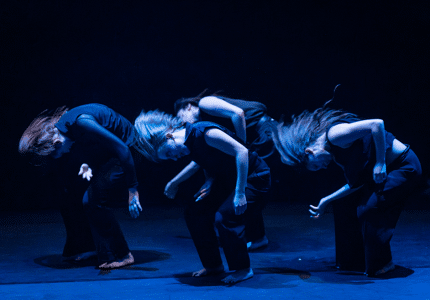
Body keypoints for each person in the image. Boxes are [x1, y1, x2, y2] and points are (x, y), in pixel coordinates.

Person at [272, 102, 422, 277]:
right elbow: (355, 183)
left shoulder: (335, 135)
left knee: (370, 208)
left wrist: (380, 162)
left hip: (404, 165)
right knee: (352, 207)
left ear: (310, 152)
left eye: (316, 165)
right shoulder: (336, 152)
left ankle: (384, 264)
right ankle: (360, 262)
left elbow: (377, 124)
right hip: (390, 170)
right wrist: (326, 201)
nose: (323, 167)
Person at [134, 110, 271, 283]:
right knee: (194, 212)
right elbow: (208, 158)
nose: (174, 159)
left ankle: (243, 269)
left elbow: (241, 152)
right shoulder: (190, 144)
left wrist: (240, 192)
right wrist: (209, 180)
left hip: (254, 177)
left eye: (169, 153)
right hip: (230, 179)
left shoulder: (203, 132)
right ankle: (213, 265)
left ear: (169, 135)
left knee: (225, 216)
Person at [19, 103, 142, 269]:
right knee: (71, 196)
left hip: (130, 150)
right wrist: (87, 166)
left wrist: (133, 190)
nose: (59, 156)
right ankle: (90, 247)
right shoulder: (67, 129)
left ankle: (122, 255)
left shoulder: (82, 122)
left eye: (56, 153)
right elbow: (93, 146)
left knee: (92, 200)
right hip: (110, 154)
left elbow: (123, 148)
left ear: (56, 142)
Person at [173, 91, 277, 250]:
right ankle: (257, 236)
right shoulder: (202, 129)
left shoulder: (205, 103)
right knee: (241, 183)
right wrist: (210, 179)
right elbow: (201, 161)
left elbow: (238, 113)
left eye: (180, 116)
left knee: (249, 183)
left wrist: (241, 147)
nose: (182, 122)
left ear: (187, 107)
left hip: (262, 132)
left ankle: (256, 237)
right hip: (254, 137)